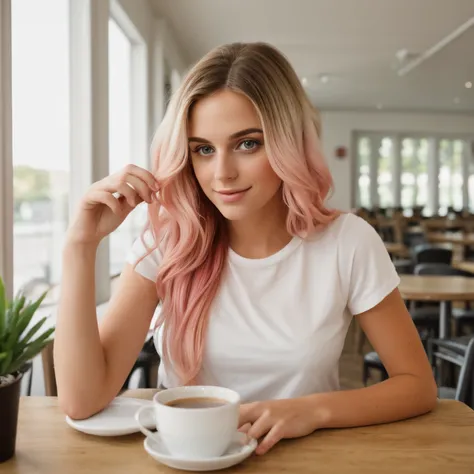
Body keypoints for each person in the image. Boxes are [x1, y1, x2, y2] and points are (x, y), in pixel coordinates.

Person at [55, 42, 437, 456]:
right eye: (203, 149)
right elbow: (81, 401)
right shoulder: (168, 242)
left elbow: (417, 386)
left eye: (247, 144)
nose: (222, 174)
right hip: (185, 460)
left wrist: (311, 410)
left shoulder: (348, 242)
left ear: (288, 142)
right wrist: (80, 246)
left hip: (304, 461)